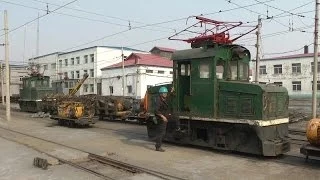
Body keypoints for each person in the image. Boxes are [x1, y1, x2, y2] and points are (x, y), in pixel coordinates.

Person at [154, 86, 181, 152]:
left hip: (166, 115)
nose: (165, 94)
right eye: (164, 93)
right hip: (160, 118)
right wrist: (163, 117)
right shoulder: (158, 100)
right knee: (161, 133)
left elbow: (170, 95)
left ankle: (178, 128)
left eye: (166, 93)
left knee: (176, 117)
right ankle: (158, 147)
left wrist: (172, 91)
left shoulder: (165, 98)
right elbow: (156, 111)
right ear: (161, 94)